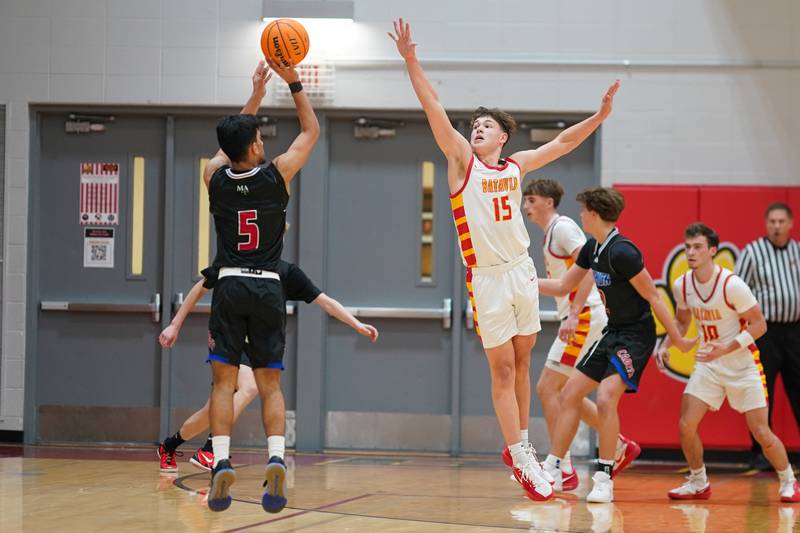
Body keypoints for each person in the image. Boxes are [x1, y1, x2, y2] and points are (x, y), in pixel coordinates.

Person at [388, 17, 619, 501]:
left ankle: (524, 447)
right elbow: (433, 108)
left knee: (522, 360)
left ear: (502, 139)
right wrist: (411, 61)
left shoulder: (516, 166)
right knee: (503, 371)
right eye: (474, 124)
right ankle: (518, 451)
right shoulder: (459, 162)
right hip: (487, 279)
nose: (476, 129)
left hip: (522, 273)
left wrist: (597, 118)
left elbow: (562, 143)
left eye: (485, 125)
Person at [200, 58, 319, 513]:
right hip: (269, 286)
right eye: (259, 137)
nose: (264, 141)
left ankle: (222, 462)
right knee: (270, 384)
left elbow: (222, 147)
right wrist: (292, 82)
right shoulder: (277, 174)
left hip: (229, 287)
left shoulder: (214, 176)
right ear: (252, 147)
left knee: (223, 384)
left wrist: (251, 98)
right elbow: (310, 133)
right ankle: (275, 458)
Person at [538, 187, 697, 503]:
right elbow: (562, 286)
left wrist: (677, 338)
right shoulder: (592, 248)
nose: (580, 215)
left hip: (636, 336)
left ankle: (604, 477)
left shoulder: (623, 251)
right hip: (613, 331)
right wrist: (521, 282)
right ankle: (553, 467)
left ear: (594, 215)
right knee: (570, 393)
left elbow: (653, 296)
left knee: (607, 398)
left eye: (583, 211)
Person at [156, 260, 378, 472]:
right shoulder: (234, 262)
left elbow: (325, 301)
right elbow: (200, 288)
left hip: (260, 345)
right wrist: (174, 325)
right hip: (231, 338)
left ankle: (170, 445)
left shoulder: (285, 271)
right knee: (250, 387)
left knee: (210, 411)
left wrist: (356, 324)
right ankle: (211, 447)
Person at [657, 223, 798, 502]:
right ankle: (698, 481)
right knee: (686, 424)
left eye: (697, 247)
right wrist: (666, 344)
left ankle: (788, 480)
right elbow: (683, 321)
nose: (691, 252)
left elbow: (759, 325)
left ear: (712, 250)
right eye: (687, 247)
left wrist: (727, 348)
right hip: (709, 365)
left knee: (761, 431)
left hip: (742, 364)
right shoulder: (682, 284)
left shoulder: (732, 284)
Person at [522, 179, 639, 491]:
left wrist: (574, 312)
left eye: (531, 200)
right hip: (581, 315)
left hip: (585, 317)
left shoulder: (563, 228)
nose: (526, 207)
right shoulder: (551, 234)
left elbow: (589, 267)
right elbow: (562, 284)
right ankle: (617, 445)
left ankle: (562, 466)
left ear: (549, 202)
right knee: (566, 392)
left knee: (548, 388)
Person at [735, 203, 800, 471]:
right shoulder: (752, 252)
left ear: (791, 223)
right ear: (766, 223)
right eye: (772, 221)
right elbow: (737, 289)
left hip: (795, 331)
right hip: (764, 332)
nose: (776, 226)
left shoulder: (798, 250)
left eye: (781, 221)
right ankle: (760, 452)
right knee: (761, 393)